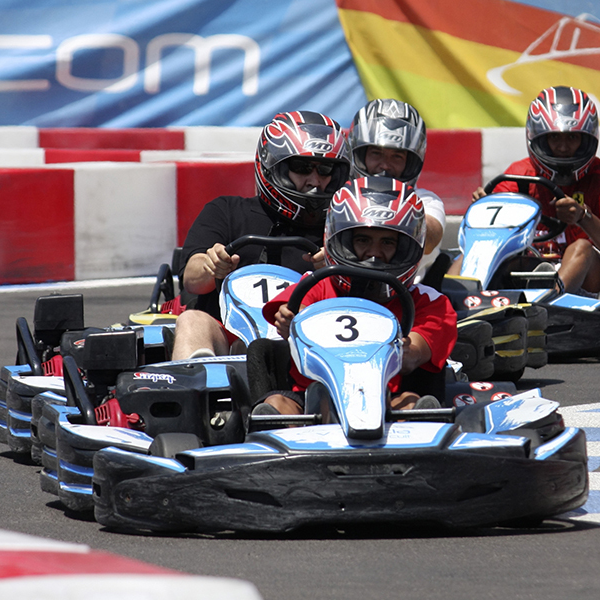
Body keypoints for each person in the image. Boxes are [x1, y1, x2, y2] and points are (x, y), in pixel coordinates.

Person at [255, 177, 458, 416]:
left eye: (387, 242)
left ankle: (413, 440)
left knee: (412, 404)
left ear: (406, 247)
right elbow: (286, 313)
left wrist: (407, 351)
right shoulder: (317, 284)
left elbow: (414, 352)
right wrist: (289, 321)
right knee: (277, 404)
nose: (374, 253)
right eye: (363, 240)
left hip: (386, 403)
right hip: (310, 402)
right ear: (342, 241)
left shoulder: (429, 302)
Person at [171, 111, 351, 360]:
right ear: (273, 166)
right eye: (302, 168)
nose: (315, 181)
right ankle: (199, 386)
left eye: (326, 169)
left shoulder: (342, 227)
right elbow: (191, 279)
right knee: (192, 320)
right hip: (230, 337)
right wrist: (214, 266)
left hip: (309, 340)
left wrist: (335, 273)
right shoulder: (226, 210)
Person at [451, 86, 600, 296]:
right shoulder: (519, 175)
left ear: (587, 139)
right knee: (470, 253)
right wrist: (485, 212)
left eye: (572, 138)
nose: (563, 148)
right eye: (555, 138)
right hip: (532, 266)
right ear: (539, 138)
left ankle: (547, 302)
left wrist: (584, 217)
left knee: (581, 247)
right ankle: (453, 303)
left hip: (589, 279)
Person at [346, 99, 446, 283]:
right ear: (359, 154)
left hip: (408, 299)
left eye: (396, 157)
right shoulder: (340, 196)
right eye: (376, 153)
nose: (385, 165)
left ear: (411, 162)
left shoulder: (426, 200)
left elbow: (430, 240)